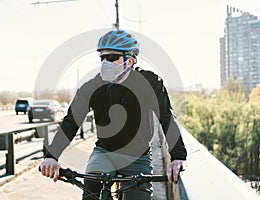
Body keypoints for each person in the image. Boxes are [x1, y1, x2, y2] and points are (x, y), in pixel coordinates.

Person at [40, 30, 187, 200]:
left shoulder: (150, 83)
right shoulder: (91, 87)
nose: (105, 62)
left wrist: (178, 157)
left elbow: (166, 118)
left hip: (138, 156)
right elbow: (71, 122)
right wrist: (51, 157)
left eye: (112, 58)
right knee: (91, 195)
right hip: (105, 152)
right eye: (102, 57)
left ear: (130, 61)